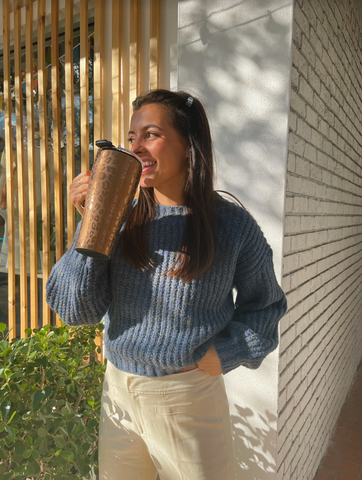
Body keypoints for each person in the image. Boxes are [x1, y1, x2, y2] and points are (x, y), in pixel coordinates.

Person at [46, 89, 287, 480]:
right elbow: (77, 310)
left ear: (189, 146)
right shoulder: (120, 217)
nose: (136, 147)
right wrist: (91, 224)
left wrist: (224, 353)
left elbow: (266, 307)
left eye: (151, 134)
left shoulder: (232, 226)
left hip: (187, 398)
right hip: (119, 391)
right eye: (131, 137)